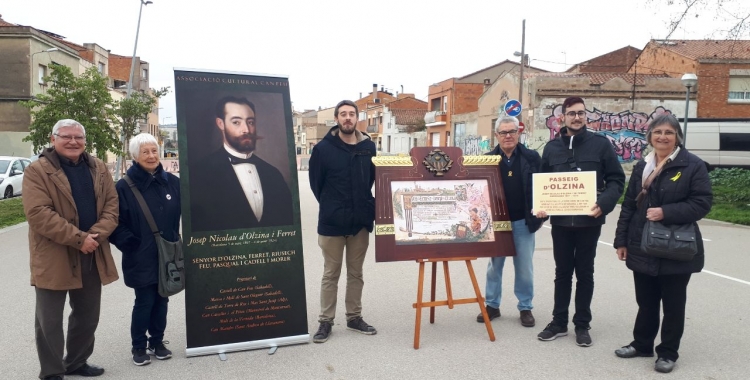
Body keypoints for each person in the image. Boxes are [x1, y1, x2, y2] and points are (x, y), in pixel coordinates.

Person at [613, 114, 712, 373]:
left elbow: (702, 203)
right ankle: (642, 344)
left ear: (677, 136)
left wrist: (665, 212)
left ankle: (667, 352)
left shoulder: (693, 166)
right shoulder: (641, 166)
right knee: (645, 301)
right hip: (642, 244)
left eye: (669, 132)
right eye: (658, 132)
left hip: (676, 248)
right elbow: (628, 206)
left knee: (673, 304)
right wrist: (621, 240)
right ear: (650, 137)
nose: (663, 137)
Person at [22, 119, 119, 380]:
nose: (73, 141)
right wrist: (80, 238)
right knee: (49, 321)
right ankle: (52, 372)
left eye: (78, 137)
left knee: (87, 316)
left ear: (85, 141)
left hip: (91, 253)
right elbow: (39, 214)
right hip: (54, 255)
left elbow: (112, 206)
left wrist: (94, 238)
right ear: (53, 139)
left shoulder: (98, 167)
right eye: (66, 136)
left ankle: (76, 362)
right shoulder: (37, 171)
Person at [536, 96, 625, 346]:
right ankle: (559, 322)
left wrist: (604, 204)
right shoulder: (552, 148)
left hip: (589, 222)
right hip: (561, 223)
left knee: (585, 273)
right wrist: (541, 206)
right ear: (561, 117)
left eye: (581, 113)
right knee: (562, 273)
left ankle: (582, 324)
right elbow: (543, 182)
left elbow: (617, 180)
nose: (577, 117)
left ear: (586, 116)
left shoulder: (601, 145)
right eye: (572, 113)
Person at [109, 133, 181, 366]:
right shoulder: (123, 187)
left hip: (167, 253)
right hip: (141, 254)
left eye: (154, 151)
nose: (151, 156)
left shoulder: (172, 182)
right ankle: (139, 346)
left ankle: (157, 342)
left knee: (163, 299)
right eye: (145, 152)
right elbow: (113, 222)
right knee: (145, 301)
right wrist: (130, 243)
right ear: (134, 156)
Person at [309, 100, 377, 343]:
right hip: (332, 223)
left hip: (360, 222)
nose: (348, 118)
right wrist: (332, 205)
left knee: (356, 273)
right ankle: (325, 322)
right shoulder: (323, 150)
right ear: (336, 119)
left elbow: (371, 179)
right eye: (343, 114)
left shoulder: (368, 147)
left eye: (352, 114)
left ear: (357, 118)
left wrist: (363, 205)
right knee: (331, 273)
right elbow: (316, 185)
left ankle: (353, 317)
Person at [476, 116, 545, 328]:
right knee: (494, 266)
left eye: (512, 132)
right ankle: (492, 305)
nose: (508, 136)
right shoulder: (487, 160)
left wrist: (544, 210)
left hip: (523, 221)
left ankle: (525, 307)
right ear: (496, 135)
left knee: (524, 267)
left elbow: (543, 187)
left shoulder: (532, 158)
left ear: (519, 133)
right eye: (503, 132)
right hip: (496, 224)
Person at [190, 96, 293, 232]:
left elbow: (287, 221)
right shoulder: (200, 173)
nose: (246, 130)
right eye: (236, 122)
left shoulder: (273, 173)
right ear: (221, 124)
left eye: (250, 122)